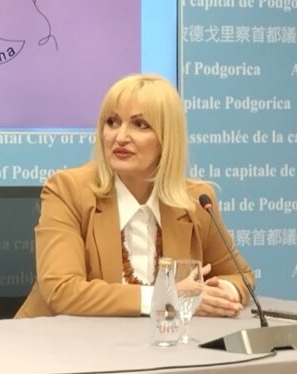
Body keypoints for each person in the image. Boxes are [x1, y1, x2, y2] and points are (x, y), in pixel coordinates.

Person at [16, 73, 253, 319]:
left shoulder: (195, 200)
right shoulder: (68, 190)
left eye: (140, 125)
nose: (120, 137)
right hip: (58, 339)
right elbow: (62, 291)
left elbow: (241, 276)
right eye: (112, 122)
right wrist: (166, 297)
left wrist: (220, 292)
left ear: (167, 137)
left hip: (156, 341)